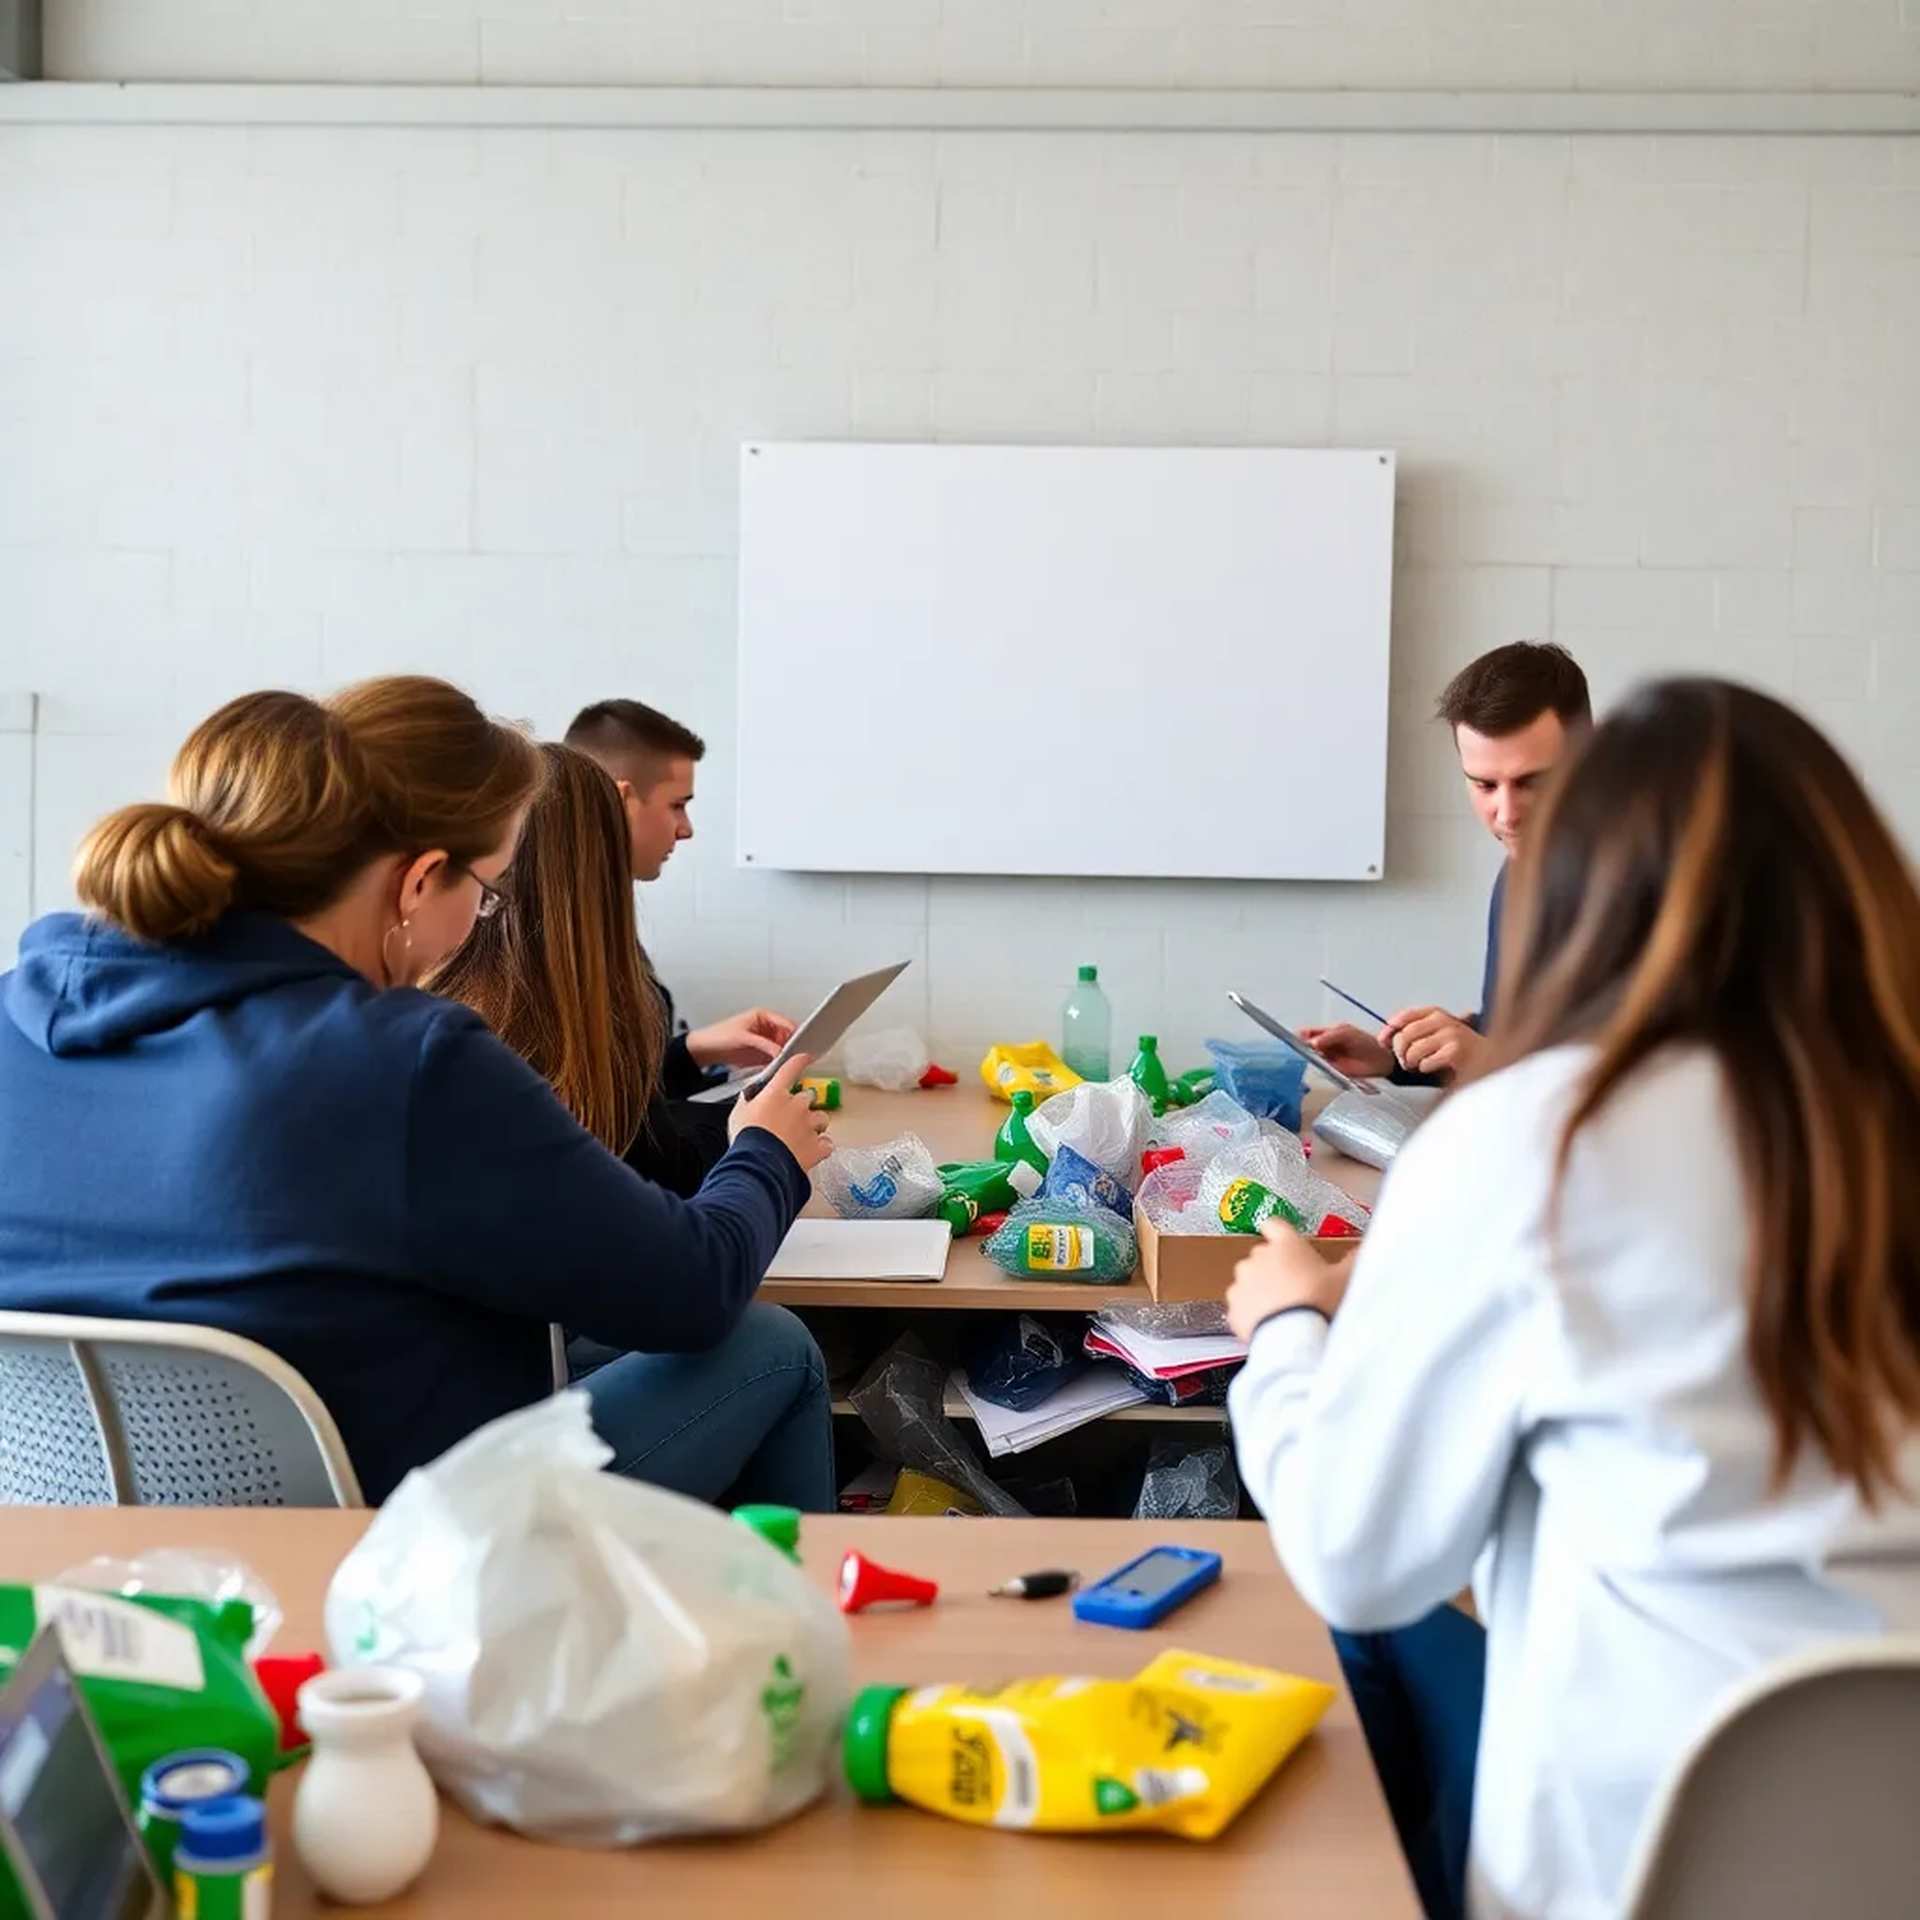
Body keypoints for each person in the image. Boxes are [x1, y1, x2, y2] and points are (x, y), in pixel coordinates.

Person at [1226, 679, 1920, 1920]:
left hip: (1624, 1866)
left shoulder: (1528, 1143)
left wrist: (1286, 1329)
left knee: (1361, 1632)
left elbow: (1354, 1556)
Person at [0, 677, 835, 1509]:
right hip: (393, 1555)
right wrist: (764, 1153)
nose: (481, 920)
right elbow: (691, 1292)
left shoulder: (14, 1018)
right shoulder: (408, 1062)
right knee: (774, 1346)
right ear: (418, 881)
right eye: (488, 892)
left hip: (80, 1561)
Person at [1303, 641, 1590, 1084]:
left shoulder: (1651, 886)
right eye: (1485, 785)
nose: (1506, 814)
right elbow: (1506, 1039)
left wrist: (1485, 1056)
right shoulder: (1517, 873)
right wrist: (1397, 1061)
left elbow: (1644, 1085)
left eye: (1531, 782)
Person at [563, 697, 793, 1099]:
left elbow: (628, 1083)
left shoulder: (599, 908)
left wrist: (695, 1048)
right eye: (677, 806)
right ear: (620, 801)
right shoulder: (556, 934)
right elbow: (611, 1120)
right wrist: (751, 1126)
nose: (686, 829)